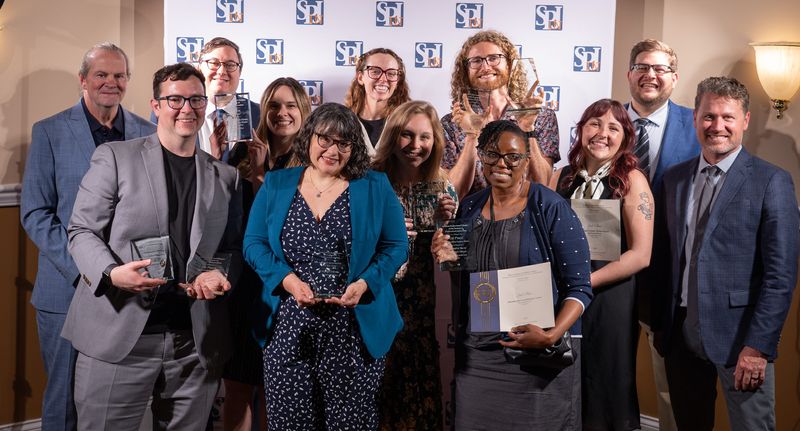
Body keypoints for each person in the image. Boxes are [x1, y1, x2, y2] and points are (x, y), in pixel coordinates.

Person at [62, 62, 242, 429]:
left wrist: (219, 273)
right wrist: (112, 273)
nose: (186, 109)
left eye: (196, 100)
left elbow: (232, 248)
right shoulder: (115, 157)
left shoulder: (226, 176)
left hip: (194, 342)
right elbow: (81, 230)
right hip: (119, 334)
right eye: (175, 100)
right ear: (156, 106)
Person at [243, 102, 407, 430]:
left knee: (351, 425)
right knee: (290, 424)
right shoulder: (276, 183)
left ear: (354, 148)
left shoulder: (375, 185)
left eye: (344, 143)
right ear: (309, 137)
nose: (333, 150)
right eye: (325, 139)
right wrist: (288, 281)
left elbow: (396, 246)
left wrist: (365, 284)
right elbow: (253, 244)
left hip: (353, 330)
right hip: (288, 327)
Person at [20, 42, 155, 430]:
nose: (111, 82)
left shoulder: (148, 133)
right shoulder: (49, 132)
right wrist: (90, 267)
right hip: (68, 288)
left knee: (115, 404)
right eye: (101, 75)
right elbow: (36, 213)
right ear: (83, 80)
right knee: (63, 401)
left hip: (129, 291)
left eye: (119, 75)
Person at [652, 77, 798, 430]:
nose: (717, 126)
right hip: (680, 336)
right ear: (695, 119)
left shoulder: (772, 181)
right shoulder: (674, 179)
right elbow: (666, 259)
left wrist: (758, 347)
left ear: (745, 120)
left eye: (728, 117)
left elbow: (780, 276)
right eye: (708, 116)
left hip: (742, 340)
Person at [432, 120, 592, 430]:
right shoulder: (468, 208)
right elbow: (466, 279)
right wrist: (445, 255)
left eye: (512, 156)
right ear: (480, 156)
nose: (501, 163)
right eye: (492, 154)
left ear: (527, 160)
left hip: (536, 357)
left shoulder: (551, 207)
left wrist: (551, 335)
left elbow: (580, 288)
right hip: (478, 358)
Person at [548, 99, 653, 431]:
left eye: (613, 127)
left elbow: (641, 254)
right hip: (563, 294)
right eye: (594, 123)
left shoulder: (632, 180)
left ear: (625, 137)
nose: (602, 133)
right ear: (581, 130)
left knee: (606, 381)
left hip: (610, 297)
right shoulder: (559, 177)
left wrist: (585, 284)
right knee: (562, 376)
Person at [222, 76, 311, 431]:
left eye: (291, 106)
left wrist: (261, 175)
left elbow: (279, 227)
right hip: (245, 283)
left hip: (285, 285)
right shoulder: (241, 153)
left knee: (281, 390)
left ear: (304, 111)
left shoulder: (313, 162)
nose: (282, 113)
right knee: (238, 384)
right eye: (274, 105)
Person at [625, 39, 700, 431]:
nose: (650, 75)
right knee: (608, 371)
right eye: (642, 67)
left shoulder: (698, 124)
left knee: (671, 383)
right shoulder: (604, 122)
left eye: (660, 68)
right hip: (613, 271)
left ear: (674, 77)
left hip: (672, 275)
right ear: (629, 74)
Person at [372, 100, 458, 430]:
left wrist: (444, 227)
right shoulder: (370, 181)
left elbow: (450, 257)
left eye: (425, 137)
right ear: (392, 135)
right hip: (375, 298)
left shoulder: (442, 186)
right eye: (407, 135)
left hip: (419, 308)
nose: (415, 145)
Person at [440, 30, 560, 198]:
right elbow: (452, 195)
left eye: (494, 58)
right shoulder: (452, 123)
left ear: (510, 63)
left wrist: (528, 129)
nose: (485, 67)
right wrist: (471, 137)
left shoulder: (541, 116)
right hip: (472, 212)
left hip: (526, 212)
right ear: (466, 70)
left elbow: (543, 185)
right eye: (476, 61)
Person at [344, 47, 411, 154]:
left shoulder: (408, 122)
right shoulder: (344, 122)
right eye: (375, 71)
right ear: (360, 77)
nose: (383, 79)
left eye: (391, 73)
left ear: (397, 81)